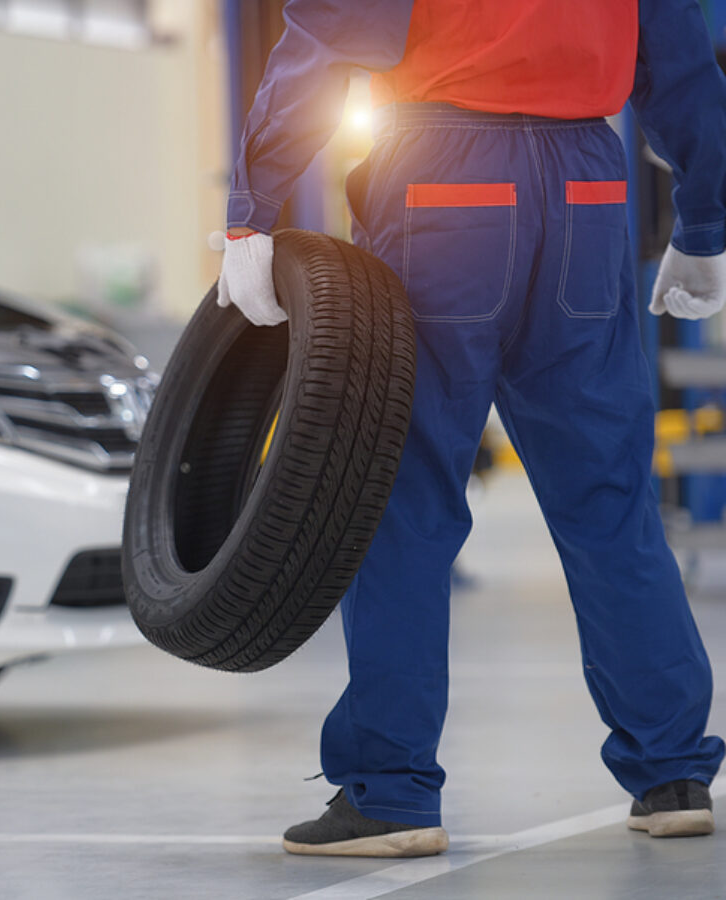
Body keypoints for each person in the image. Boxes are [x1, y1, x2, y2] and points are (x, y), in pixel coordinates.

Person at [219, 0, 726, 858]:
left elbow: (326, 39)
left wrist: (252, 210)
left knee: (403, 495)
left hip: (442, 178)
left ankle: (392, 792)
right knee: (609, 496)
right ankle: (672, 774)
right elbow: (683, 70)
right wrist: (706, 222)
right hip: (589, 188)